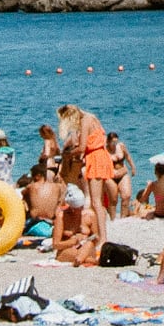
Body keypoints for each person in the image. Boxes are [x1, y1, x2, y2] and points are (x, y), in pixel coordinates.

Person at [57, 105, 113, 247]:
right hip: (99, 156)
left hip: (95, 158)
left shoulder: (85, 121)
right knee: (98, 201)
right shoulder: (91, 118)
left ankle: (103, 238)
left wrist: (67, 154)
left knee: (96, 202)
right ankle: (100, 235)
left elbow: (81, 148)